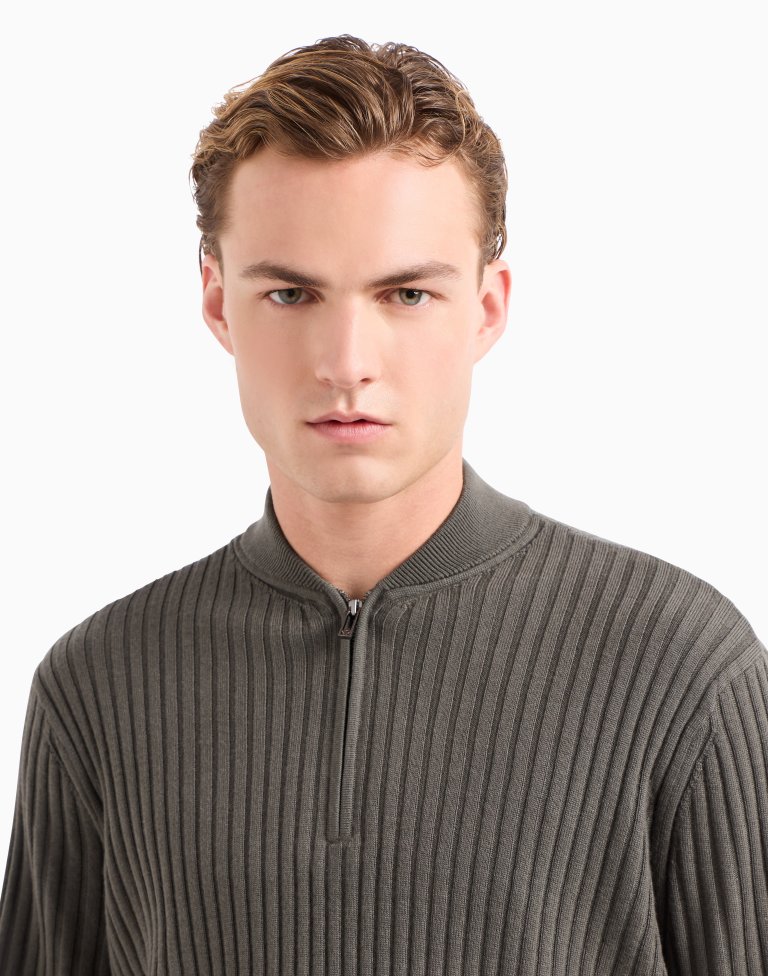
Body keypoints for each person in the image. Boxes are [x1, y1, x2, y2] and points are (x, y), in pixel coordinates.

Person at [0, 33, 765, 976]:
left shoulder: (683, 667)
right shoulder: (98, 687)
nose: (347, 362)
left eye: (406, 293)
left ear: (487, 307)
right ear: (218, 303)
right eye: (291, 294)